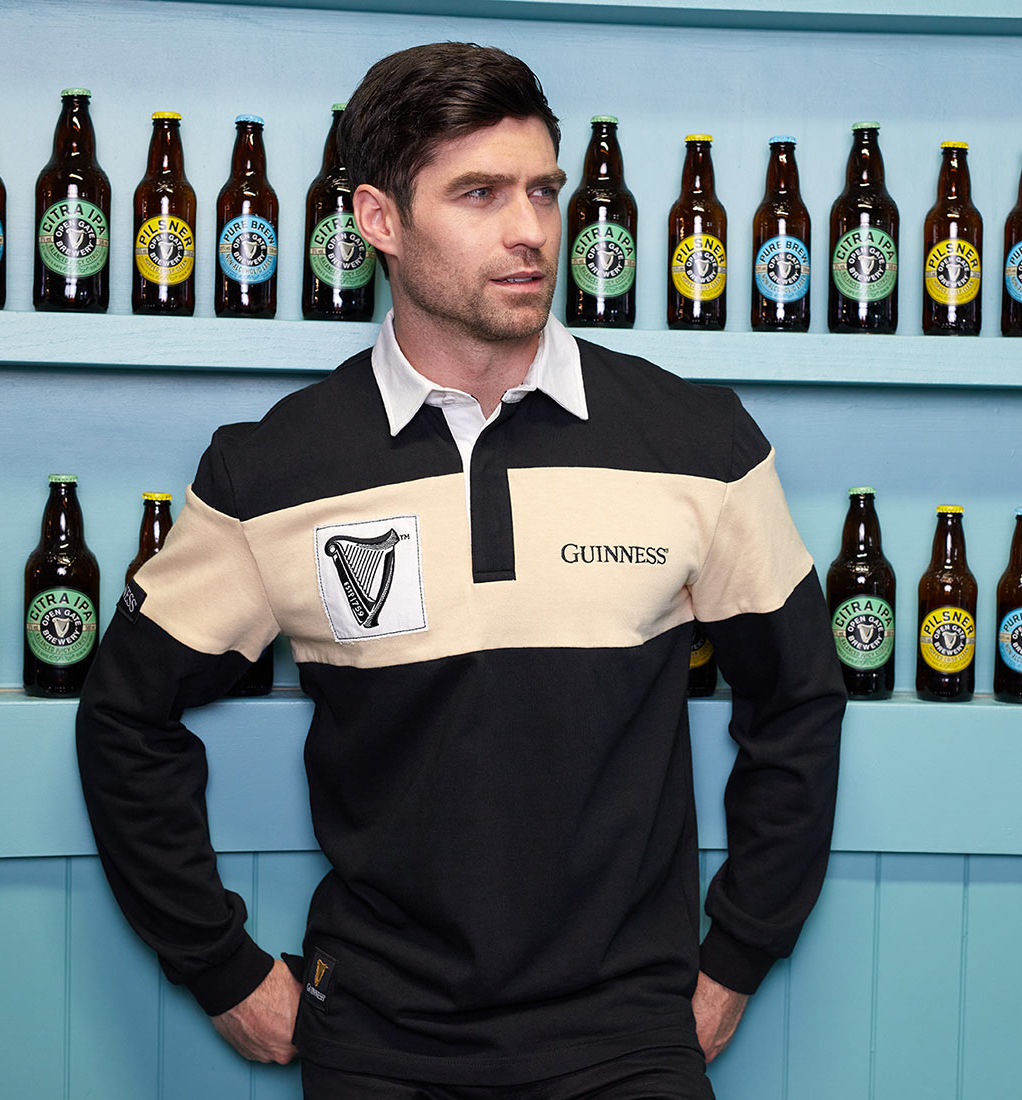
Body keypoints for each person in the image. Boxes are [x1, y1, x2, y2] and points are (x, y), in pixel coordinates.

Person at [76, 42, 844, 1099]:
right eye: (477, 193)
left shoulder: (697, 441)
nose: (529, 229)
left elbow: (798, 697)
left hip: (628, 1040)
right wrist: (219, 966)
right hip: (381, 1045)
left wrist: (739, 951)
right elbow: (123, 718)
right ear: (378, 221)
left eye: (541, 190)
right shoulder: (273, 469)